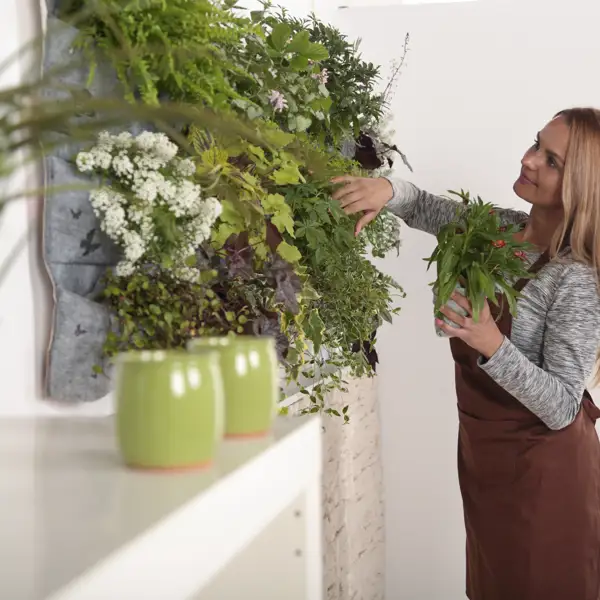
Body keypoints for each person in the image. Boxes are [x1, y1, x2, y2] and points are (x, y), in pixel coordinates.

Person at [332, 108, 600, 600]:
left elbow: (564, 406)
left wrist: (489, 342)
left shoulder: (575, 278)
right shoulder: (499, 227)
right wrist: (386, 192)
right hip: (487, 457)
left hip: (545, 474)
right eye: (535, 143)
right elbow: (427, 209)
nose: (528, 159)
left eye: (552, 160)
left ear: (583, 184)